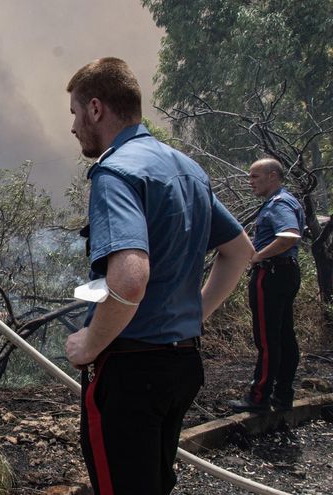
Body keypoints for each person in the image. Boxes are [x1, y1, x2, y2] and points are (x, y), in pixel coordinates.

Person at [63, 58, 253, 494]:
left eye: (74, 113)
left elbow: (130, 279)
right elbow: (240, 251)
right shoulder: (186, 168)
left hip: (130, 368)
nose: (72, 126)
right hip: (183, 365)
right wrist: (194, 314)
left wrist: (88, 345)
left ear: (95, 109)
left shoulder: (115, 172)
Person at [229, 158, 305, 413]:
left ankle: (259, 397)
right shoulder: (288, 200)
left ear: (273, 176)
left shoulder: (279, 203)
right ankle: (283, 395)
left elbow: (289, 235)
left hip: (271, 275)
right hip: (286, 273)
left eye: (255, 176)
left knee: (267, 339)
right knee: (284, 336)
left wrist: (258, 256)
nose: (250, 182)